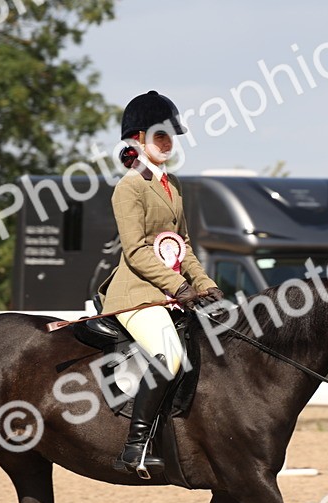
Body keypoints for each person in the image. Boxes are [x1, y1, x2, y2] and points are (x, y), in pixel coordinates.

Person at [100, 90, 224, 477]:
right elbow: (136, 251)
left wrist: (204, 284)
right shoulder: (129, 188)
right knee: (168, 356)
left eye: (172, 136)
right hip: (136, 294)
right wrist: (179, 288)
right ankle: (135, 447)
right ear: (137, 139)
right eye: (160, 136)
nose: (168, 143)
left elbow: (180, 245)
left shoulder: (173, 186)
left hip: (170, 292)